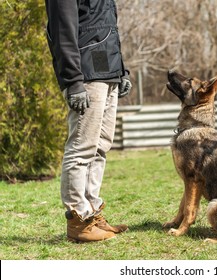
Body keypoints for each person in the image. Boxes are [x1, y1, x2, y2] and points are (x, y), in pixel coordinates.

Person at [45, 0, 132, 242]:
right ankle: (78, 219)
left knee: (100, 146)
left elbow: (103, 27)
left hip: (105, 68)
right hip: (84, 74)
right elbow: (63, 32)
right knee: (82, 147)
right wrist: (73, 81)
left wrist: (119, 71)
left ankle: (91, 210)